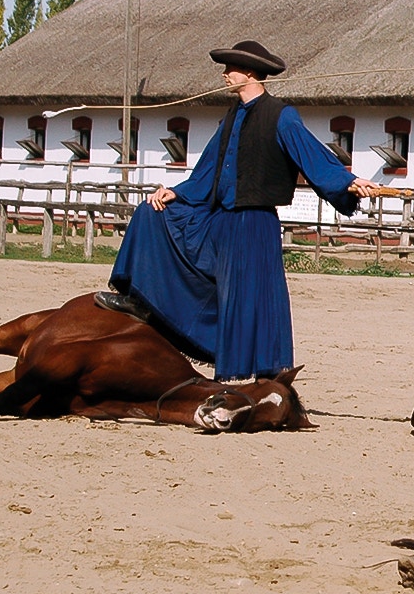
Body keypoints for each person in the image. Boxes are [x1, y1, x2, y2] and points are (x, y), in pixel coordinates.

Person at [98, 41, 376, 380]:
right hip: (220, 220)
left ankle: (263, 372)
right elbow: (207, 170)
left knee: (249, 298)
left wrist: (347, 182)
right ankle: (139, 301)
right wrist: (175, 192)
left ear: (247, 73)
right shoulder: (231, 117)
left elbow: (311, 155)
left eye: (229, 68)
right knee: (151, 213)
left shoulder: (280, 115)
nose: (224, 74)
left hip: (254, 222)